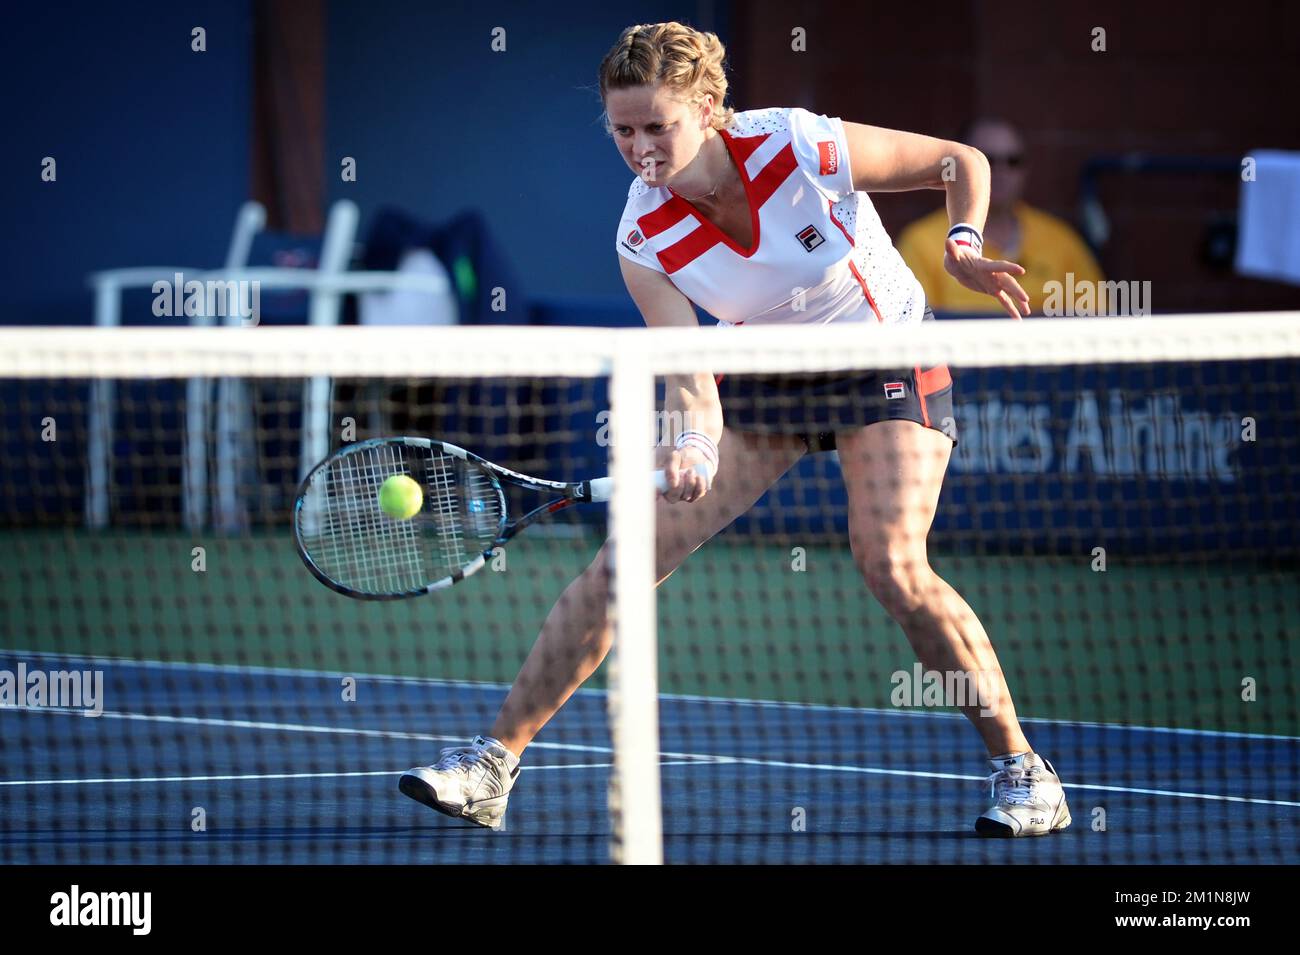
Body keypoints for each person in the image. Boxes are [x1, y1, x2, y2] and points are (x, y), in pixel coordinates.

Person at [400, 21, 1070, 839]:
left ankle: (1024, 771)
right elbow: (687, 368)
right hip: (762, 363)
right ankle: (491, 764)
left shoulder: (797, 144)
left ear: (710, 109)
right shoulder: (642, 237)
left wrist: (962, 237)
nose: (641, 148)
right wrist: (694, 442)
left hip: (883, 349)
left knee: (890, 559)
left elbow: (956, 162)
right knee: (624, 562)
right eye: (623, 130)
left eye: (658, 126)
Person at [896, 118, 1105, 314]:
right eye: (987, 161)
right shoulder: (921, 242)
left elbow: (1099, 320)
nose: (1001, 171)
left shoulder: (1061, 240)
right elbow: (915, 331)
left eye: (1013, 161)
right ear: (957, 168)